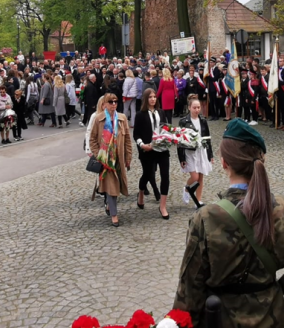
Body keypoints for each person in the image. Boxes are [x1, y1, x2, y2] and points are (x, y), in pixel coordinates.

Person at [173, 119, 284, 328]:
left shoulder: (206, 218)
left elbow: (189, 294)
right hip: (272, 326)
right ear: (263, 160)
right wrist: (272, 291)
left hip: (220, 326)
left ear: (224, 163)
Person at [89, 93, 133, 227]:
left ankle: (109, 204)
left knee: (117, 185)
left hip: (118, 157)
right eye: (111, 102)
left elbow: (127, 140)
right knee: (111, 186)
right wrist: (99, 155)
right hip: (106, 159)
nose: (114, 104)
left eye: (115, 101)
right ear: (105, 104)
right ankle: (114, 214)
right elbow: (92, 140)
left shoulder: (122, 118)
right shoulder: (98, 119)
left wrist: (128, 157)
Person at [134, 89, 171, 217]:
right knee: (147, 174)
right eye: (150, 97)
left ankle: (163, 206)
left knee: (165, 175)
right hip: (147, 150)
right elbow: (136, 134)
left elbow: (165, 128)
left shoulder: (161, 112)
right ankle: (141, 194)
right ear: (146, 99)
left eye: (154, 97)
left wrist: (169, 136)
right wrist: (142, 145)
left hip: (162, 149)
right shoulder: (140, 114)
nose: (153, 99)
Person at [178, 94, 213, 204]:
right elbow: (179, 141)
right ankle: (187, 189)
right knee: (195, 176)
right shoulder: (184, 121)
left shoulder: (203, 120)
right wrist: (181, 158)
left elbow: (207, 138)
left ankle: (198, 201)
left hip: (201, 151)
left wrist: (210, 154)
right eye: (194, 107)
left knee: (201, 177)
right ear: (189, 108)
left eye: (198, 107)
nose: (197, 110)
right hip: (189, 152)